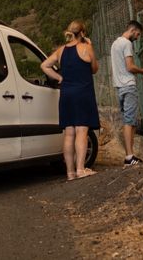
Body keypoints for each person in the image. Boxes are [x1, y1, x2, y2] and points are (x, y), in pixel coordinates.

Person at [41, 19, 100, 180]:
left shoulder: (60, 51)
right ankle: (81, 169)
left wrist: (59, 78)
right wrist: (91, 46)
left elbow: (45, 65)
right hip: (82, 93)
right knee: (82, 131)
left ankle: (70, 172)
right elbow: (94, 69)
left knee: (69, 133)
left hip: (66, 94)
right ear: (82, 33)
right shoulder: (86, 48)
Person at [110, 20, 143, 166]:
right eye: (138, 34)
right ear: (133, 30)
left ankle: (130, 155)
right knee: (130, 121)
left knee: (129, 121)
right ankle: (129, 157)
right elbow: (129, 67)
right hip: (128, 86)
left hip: (119, 88)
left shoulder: (115, 44)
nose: (138, 37)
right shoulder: (127, 44)